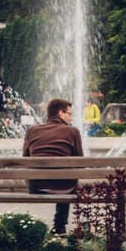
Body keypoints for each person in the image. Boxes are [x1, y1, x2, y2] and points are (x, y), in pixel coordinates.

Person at [22, 97, 83, 235]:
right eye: (69, 113)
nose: (71, 117)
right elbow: (80, 161)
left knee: (64, 178)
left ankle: (48, 227)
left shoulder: (32, 130)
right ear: (61, 113)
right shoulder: (72, 132)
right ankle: (60, 225)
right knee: (67, 180)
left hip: (36, 187)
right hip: (65, 188)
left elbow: (25, 157)